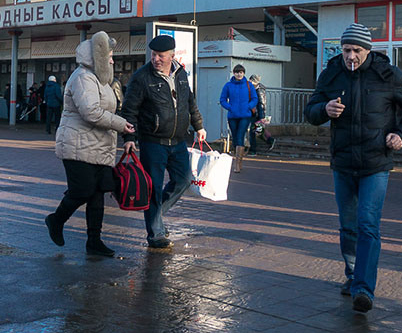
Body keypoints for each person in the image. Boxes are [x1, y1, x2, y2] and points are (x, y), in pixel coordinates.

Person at [306, 23, 402, 313]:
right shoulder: (332, 72)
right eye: (347, 50)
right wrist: (324, 110)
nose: (351, 56)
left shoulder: (386, 74)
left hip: (376, 162)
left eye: (356, 50)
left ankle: (364, 289)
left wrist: (400, 134)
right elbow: (311, 110)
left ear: (368, 50)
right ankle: (352, 273)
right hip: (343, 163)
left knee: (367, 224)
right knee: (348, 226)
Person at [46, 31, 135, 257]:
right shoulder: (82, 77)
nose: (113, 60)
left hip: (99, 147)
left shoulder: (102, 80)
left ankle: (94, 241)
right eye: (110, 56)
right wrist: (120, 124)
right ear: (98, 57)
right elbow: (91, 112)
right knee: (82, 190)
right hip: (77, 145)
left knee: (97, 194)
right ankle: (56, 220)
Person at [121, 34, 207, 249]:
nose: (156, 59)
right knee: (153, 188)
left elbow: (190, 102)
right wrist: (129, 138)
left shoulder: (181, 73)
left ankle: (156, 217)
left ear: (172, 55)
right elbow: (129, 110)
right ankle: (156, 234)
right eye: (153, 55)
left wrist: (199, 126)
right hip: (153, 141)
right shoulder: (142, 77)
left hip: (177, 140)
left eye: (161, 55)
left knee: (184, 180)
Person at [219, 64, 257, 172]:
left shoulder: (249, 85)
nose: (239, 74)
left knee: (240, 135)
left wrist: (248, 107)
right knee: (235, 137)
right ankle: (238, 158)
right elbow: (222, 99)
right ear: (233, 73)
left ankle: (237, 164)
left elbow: (255, 99)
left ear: (244, 73)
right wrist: (230, 107)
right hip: (232, 116)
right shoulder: (228, 85)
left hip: (245, 115)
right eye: (236, 72)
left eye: (241, 72)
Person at [247, 75, 276, 156]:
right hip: (254, 112)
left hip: (257, 113)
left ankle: (253, 150)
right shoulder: (254, 89)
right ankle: (270, 140)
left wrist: (261, 117)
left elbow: (261, 104)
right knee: (256, 130)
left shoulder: (259, 91)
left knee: (254, 131)